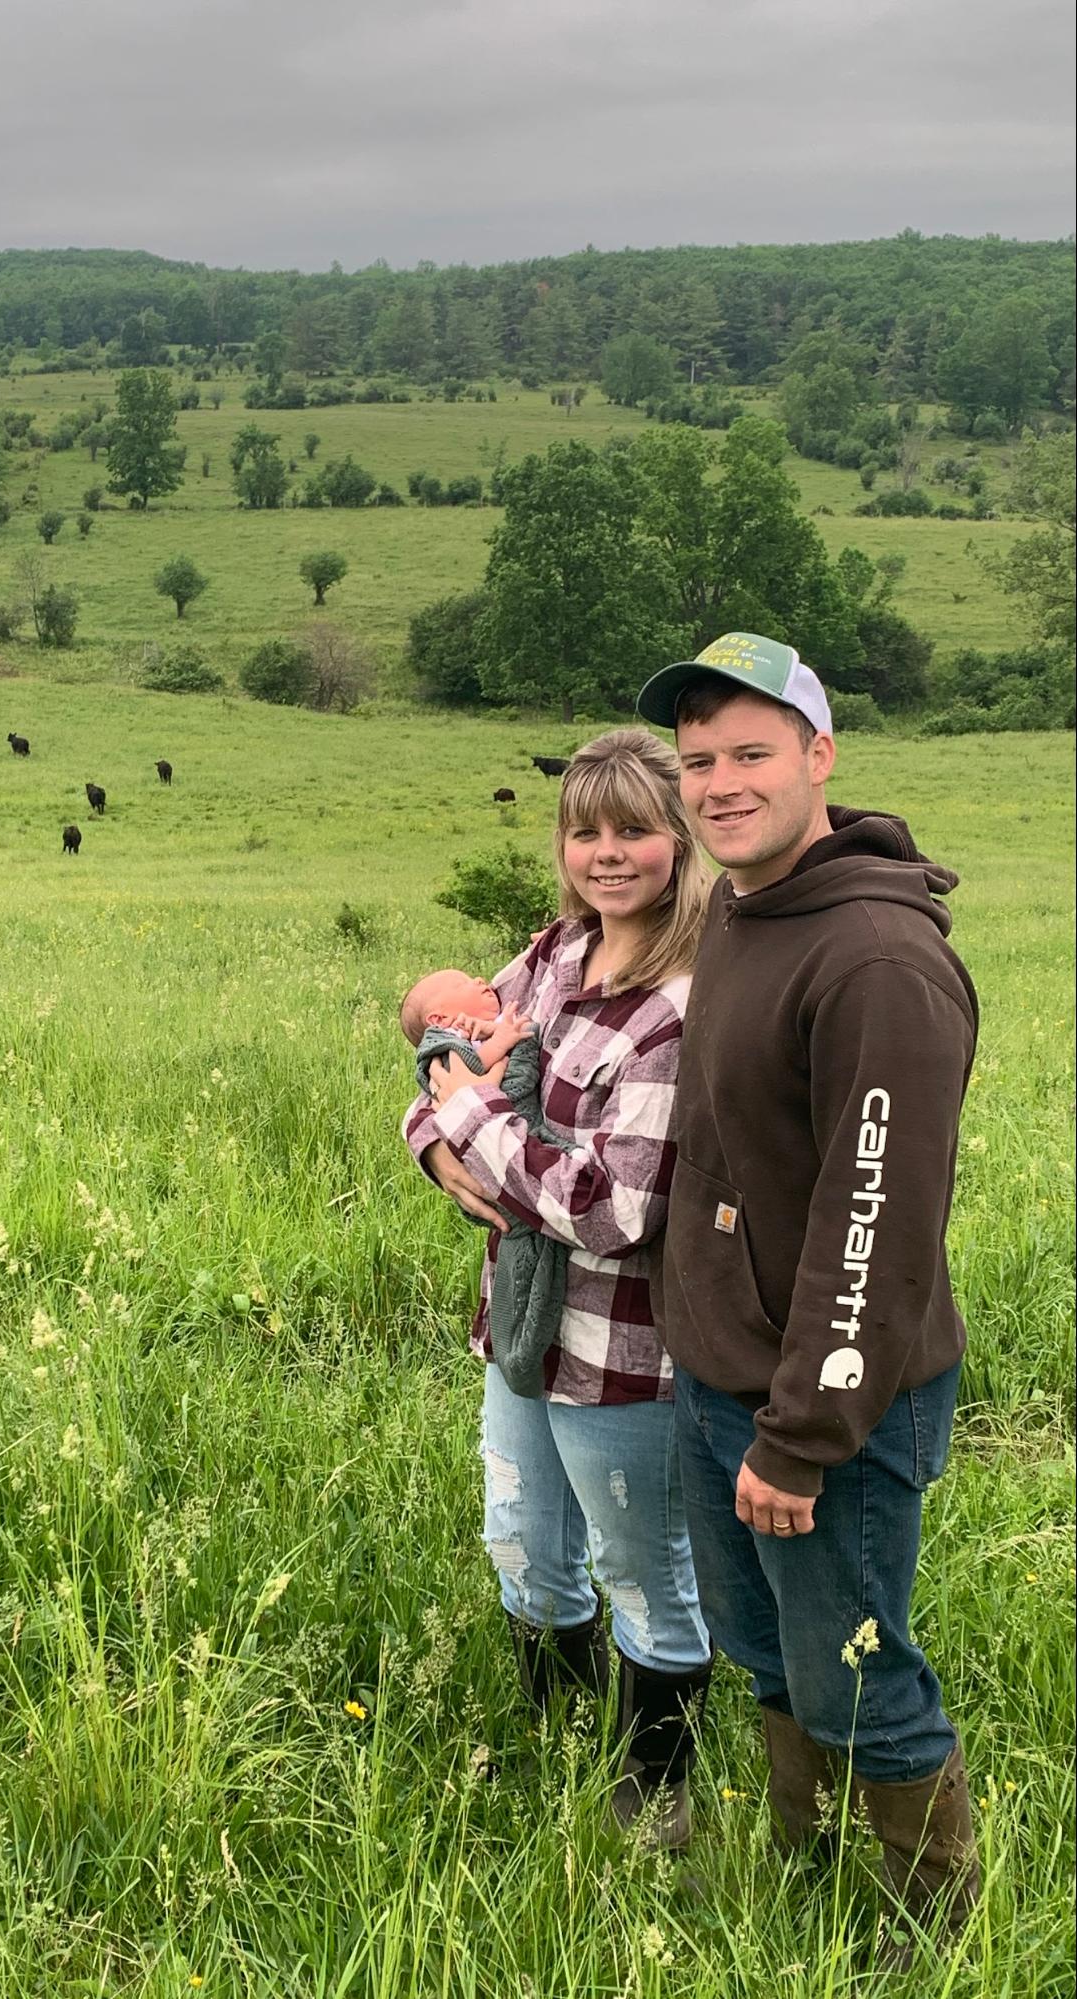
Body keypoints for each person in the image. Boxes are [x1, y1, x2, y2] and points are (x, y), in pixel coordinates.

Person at [634, 632, 980, 1955]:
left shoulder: (877, 961)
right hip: (724, 1375)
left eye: (750, 754)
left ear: (821, 755)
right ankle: (809, 1866)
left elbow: (874, 1227)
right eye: (699, 759)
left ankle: (922, 1936)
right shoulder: (738, 906)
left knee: (858, 1671)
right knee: (772, 1653)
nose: (719, 783)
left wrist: (803, 1432)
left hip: (828, 1401)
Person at [404, 728, 714, 1846]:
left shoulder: (681, 1004)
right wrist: (436, 1142)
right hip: (523, 1330)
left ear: (679, 841)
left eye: (634, 828)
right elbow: (445, 1056)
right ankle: (558, 1739)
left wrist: (470, 1126)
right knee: (524, 1545)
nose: (607, 852)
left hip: (626, 1351)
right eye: (586, 830)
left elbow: (615, 1210)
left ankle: (656, 1790)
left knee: (642, 1564)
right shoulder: (549, 956)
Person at [399, 969, 565, 1398]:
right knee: (527, 1262)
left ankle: (520, 1344)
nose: (480, 980)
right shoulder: (445, 1044)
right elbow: (465, 1073)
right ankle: (519, 1348)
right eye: (463, 982)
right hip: (506, 1167)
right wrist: (503, 1038)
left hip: (514, 1154)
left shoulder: (474, 1026)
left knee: (528, 1264)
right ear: (440, 1016)